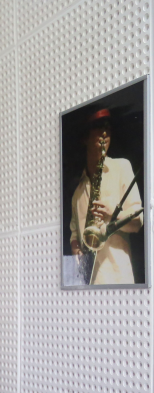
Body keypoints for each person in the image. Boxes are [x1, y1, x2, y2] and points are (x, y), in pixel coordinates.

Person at [69, 108, 143, 285]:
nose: (105, 133)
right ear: (85, 137)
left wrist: (113, 213)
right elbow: (74, 233)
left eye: (108, 127)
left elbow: (138, 221)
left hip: (118, 280)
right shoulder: (77, 193)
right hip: (89, 283)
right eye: (98, 126)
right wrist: (75, 248)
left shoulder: (122, 167)